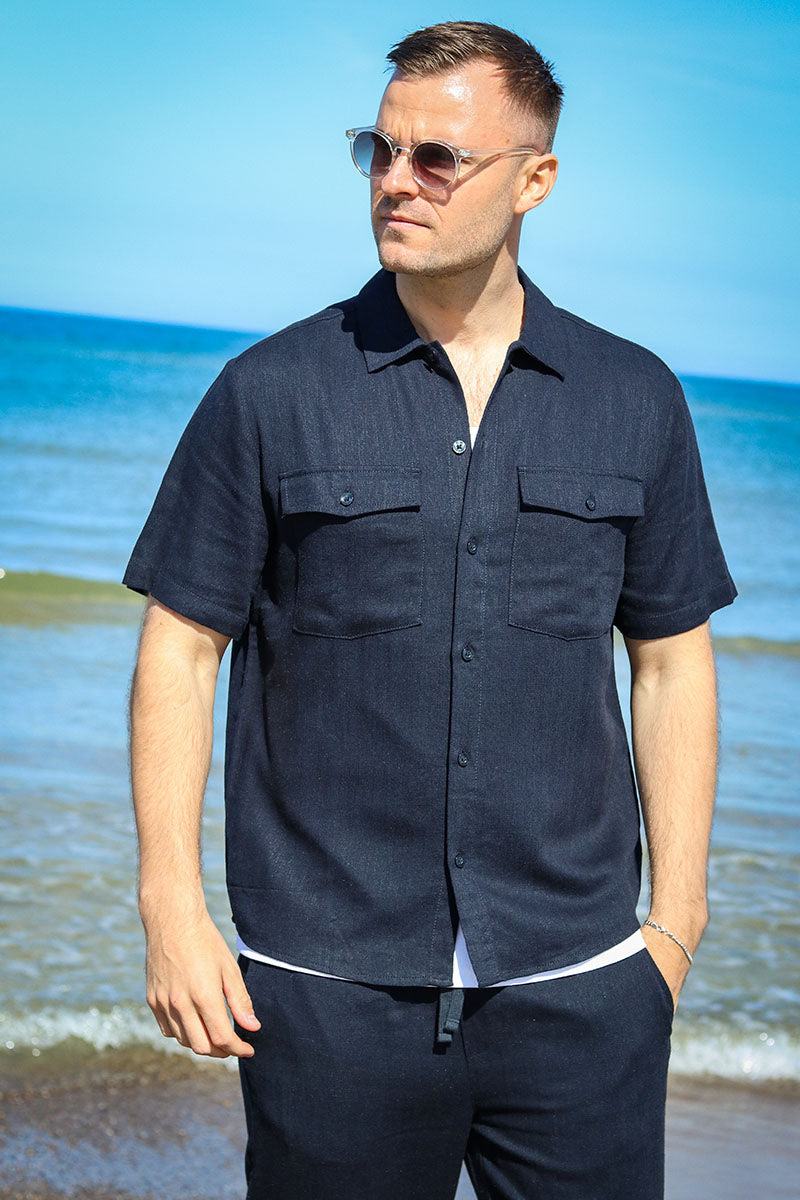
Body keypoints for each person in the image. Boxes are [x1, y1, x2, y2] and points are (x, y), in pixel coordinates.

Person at [124, 19, 738, 1200]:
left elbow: (670, 662)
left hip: (581, 985)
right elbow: (181, 650)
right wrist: (171, 910)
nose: (393, 181)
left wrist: (673, 925)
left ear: (534, 181)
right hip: (324, 987)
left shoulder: (634, 399)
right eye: (379, 149)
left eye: (436, 157)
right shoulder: (267, 393)